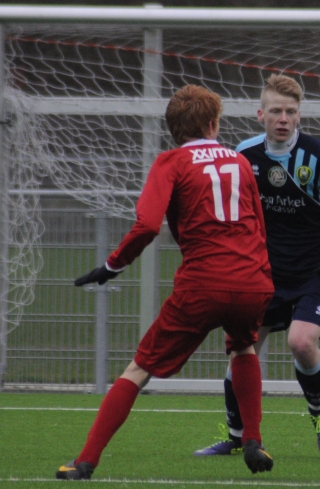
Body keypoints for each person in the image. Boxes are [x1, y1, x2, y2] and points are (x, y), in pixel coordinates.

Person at [55, 85, 275, 480]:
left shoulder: (171, 161)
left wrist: (112, 265)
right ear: (213, 124)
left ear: (174, 129)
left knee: (138, 370)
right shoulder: (241, 162)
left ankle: (85, 461)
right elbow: (258, 224)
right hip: (252, 281)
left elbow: (146, 225)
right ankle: (254, 439)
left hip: (203, 284)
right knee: (243, 348)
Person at [194, 74, 320, 458]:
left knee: (301, 342)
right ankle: (237, 437)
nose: (282, 118)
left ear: (299, 116)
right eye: (275, 111)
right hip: (261, 274)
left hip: (313, 272)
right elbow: (233, 213)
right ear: (260, 115)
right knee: (241, 351)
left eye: (289, 111)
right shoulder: (244, 155)